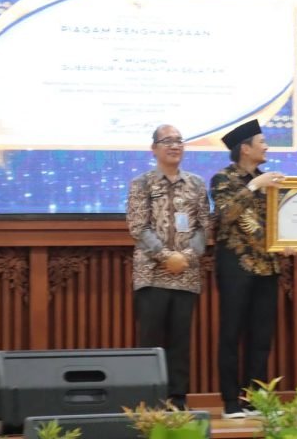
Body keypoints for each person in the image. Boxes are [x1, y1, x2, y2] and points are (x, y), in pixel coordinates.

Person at [126, 124, 210, 410]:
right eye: (167, 141)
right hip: (151, 275)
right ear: (154, 149)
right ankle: (149, 402)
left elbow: (204, 227)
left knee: (181, 342)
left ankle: (177, 401)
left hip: (186, 275)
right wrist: (166, 257)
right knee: (151, 342)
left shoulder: (196, 184)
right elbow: (138, 227)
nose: (175, 146)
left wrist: (186, 256)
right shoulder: (142, 183)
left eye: (179, 141)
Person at [210, 119, 288, 419]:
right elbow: (225, 215)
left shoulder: (269, 180)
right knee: (231, 333)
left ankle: (256, 400)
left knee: (261, 337)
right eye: (262, 142)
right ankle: (231, 401)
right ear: (245, 148)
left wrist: (289, 241)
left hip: (268, 267)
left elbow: (280, 221)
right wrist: (254, 185)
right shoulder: (223, 179)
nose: (266, 147)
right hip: (236, 266)